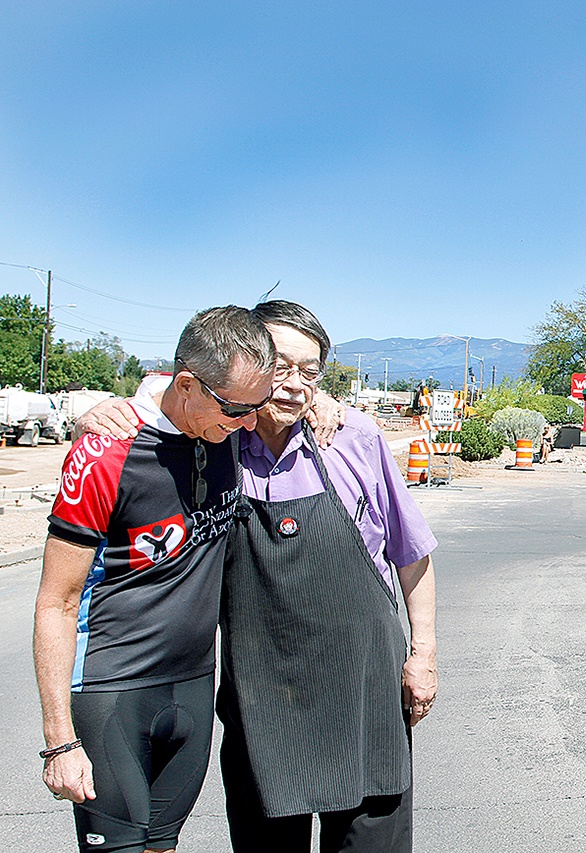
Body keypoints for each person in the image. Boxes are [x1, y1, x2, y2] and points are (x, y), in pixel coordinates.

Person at [80, 301, 437, 852]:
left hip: (365, 688)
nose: (295, 387)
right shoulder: (213, 443)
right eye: (280, 367)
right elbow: (174, 396)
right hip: (263, 697)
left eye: (311, 373)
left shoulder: (353, 437)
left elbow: (411, 554)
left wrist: (424, 654)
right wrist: (108, 410)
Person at [34, 306, 277, 853]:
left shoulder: (227, 430)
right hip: (113, 690)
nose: (248, 424)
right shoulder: (105, 450)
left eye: (256, 405)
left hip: (192, 687)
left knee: (163, 847)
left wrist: (323, 401)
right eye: (237, 409)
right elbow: (57, 602)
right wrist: (58, 740)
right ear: (186, 385)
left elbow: (292, 396)